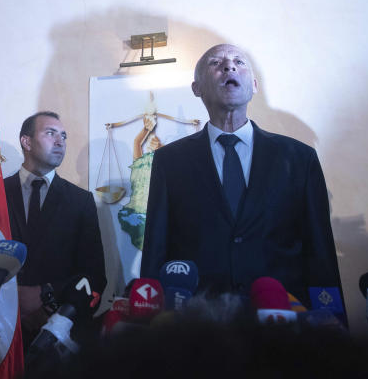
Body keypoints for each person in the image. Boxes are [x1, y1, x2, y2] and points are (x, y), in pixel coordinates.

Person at [140, 44, 343, 306]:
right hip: (199, 322)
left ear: (254, 85)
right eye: (216, 63)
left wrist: (331, 322)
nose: (229, 66)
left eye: (239, 62)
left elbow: (320, 250)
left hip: (284, 318)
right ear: (196, 88)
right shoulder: (170, 161)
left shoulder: (299, 158)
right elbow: (157, 248)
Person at [3, 111, 107, 344]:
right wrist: (11, 301)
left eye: (64, 136)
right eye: (51, 133)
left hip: (56, 334)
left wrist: (46, 299)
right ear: (26, 141)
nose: (60, 141)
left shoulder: (80, 201)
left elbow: (94, 275)